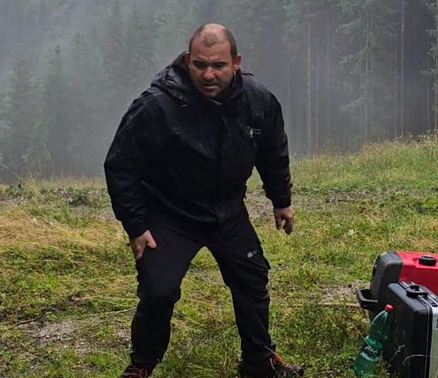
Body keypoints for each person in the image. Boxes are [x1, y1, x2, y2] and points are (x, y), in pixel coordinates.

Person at [105, 23, 303, 378]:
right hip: (169, 214)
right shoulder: (156, 106)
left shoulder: (258, 99)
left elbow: (273, 151)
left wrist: (281, 200)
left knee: (252, 280)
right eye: (199, 65)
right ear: (187, 60)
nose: (208, 74)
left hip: (227, 211)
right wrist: (136, 226)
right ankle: (141, 366)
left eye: (218, 65)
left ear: (236, 62)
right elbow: (121, 165)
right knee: (159, 291)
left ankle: (258, 362)